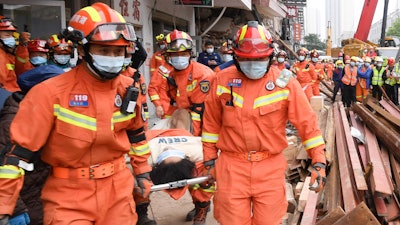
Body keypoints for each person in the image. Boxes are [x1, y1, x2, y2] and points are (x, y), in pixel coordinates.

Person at [0, 3, 152, 225]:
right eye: (104, 50)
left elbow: (137, 135)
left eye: (118, 51)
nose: (113, 57)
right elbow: (17, 155)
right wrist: (4, 203)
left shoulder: (128, 88)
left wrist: (143, 173)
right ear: (81, 50)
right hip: (68, 197)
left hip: (118, 193)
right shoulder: (49, 93)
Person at [201, 21, 326, 225]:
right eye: (246, 59)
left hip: (270, 167)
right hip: (231, 167)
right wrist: (208, 160)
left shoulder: (285, 84)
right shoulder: (221, 80)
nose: (253, 64)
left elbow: (307, 125)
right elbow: (211, 125)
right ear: (236, 56)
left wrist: (319, 162)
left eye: (259, 59)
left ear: (270, 56)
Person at [156, 29, 216, 225]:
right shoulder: (167, 73)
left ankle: (202, 207)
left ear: (190, 53)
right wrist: (167, 115)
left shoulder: (203, 74)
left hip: (203, 125)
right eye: (175, 55)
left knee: (203, 170)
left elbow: (203, 108)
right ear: (168, 56)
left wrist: (193, 136)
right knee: (183, 168)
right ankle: (198, 204)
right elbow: (163, 95)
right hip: (182, 122)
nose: (179, 58)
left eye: (183, 54)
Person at [0, 62, 64, 225]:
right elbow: (6, 167)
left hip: (46, 198)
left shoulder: (48, 114)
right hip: (28, 203)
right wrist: (15, 209)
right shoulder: (13, 122)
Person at [0, 16, 20, 92]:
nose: (11, 38)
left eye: (12, 35)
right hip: (6, 97)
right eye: (7, 35)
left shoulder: (7, 53)